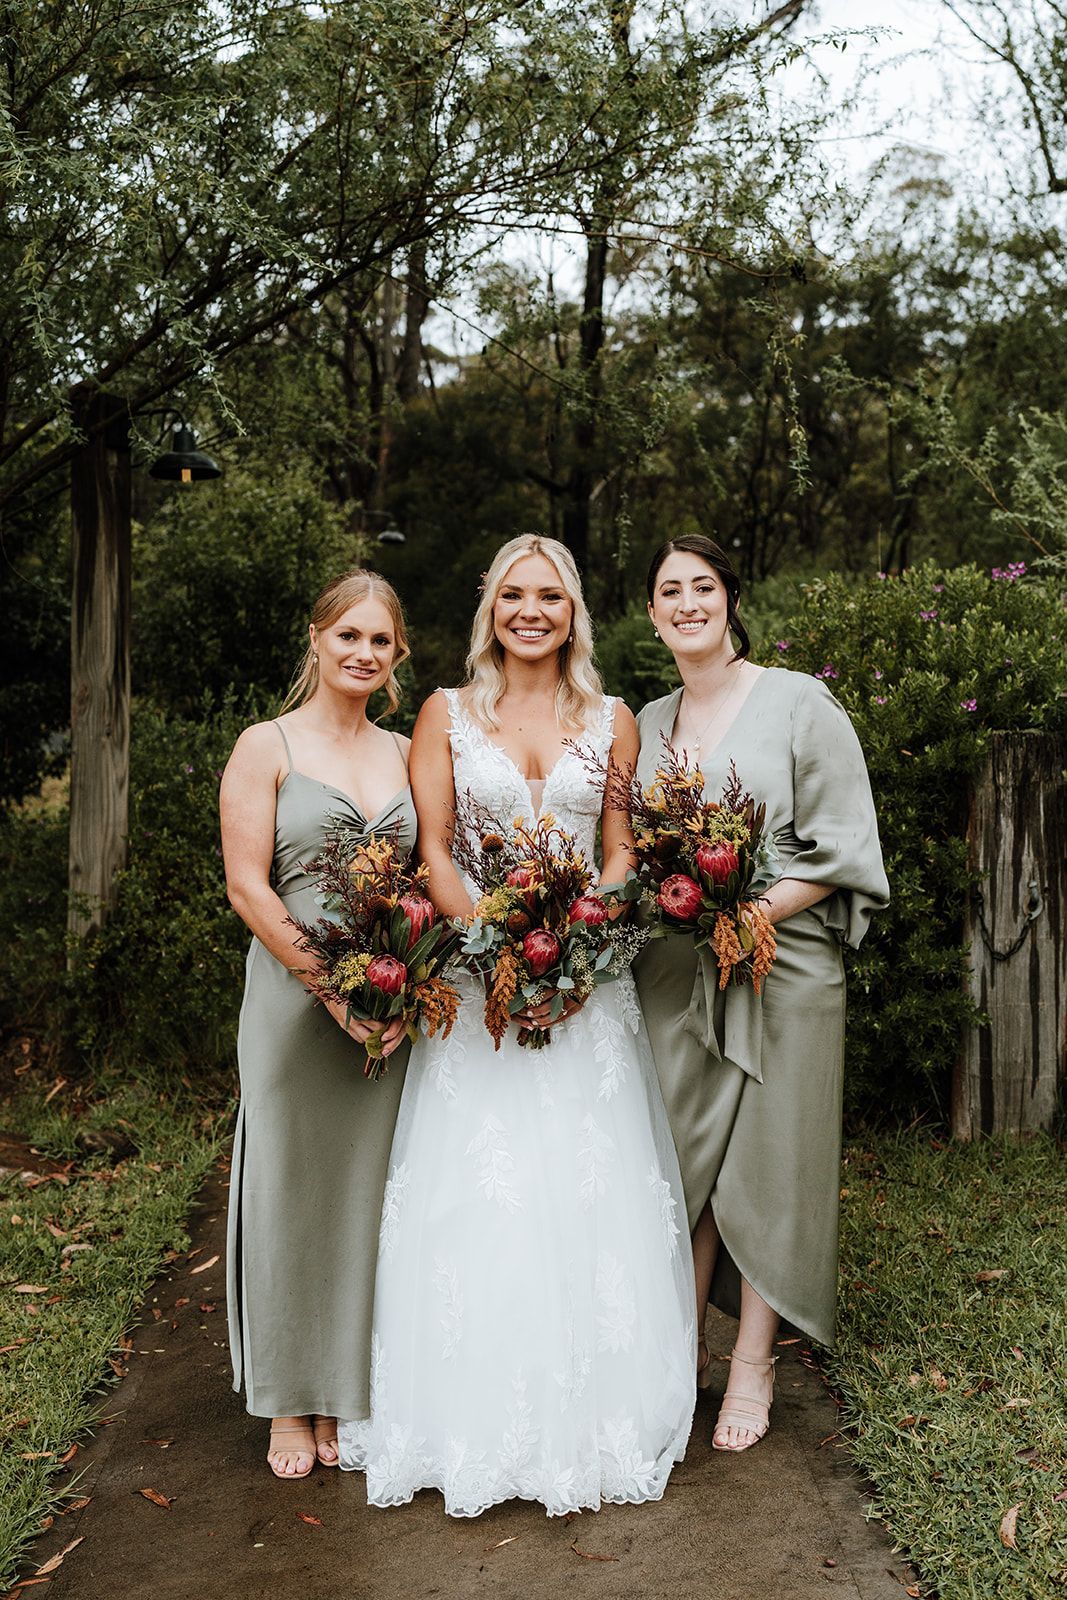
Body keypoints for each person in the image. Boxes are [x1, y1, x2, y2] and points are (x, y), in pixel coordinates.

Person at [338, 534, 695, 1516]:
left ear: (571, 609)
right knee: (478, 1198)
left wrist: (578, 937)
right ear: (489, 607)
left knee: (587, 1196)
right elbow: (436, 845)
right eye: (511, 594)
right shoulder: (444, 714)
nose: (528, 610)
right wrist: (492, 945)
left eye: (547, 595)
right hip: (479, 991)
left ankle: (590, 1419)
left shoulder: (613, 720)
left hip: (585, 987)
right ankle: (464, 1416)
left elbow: (619, 847)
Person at [633, 535, 889, 1452]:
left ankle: (752, 1362)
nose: (688, 602)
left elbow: (843, 837)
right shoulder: (647, 721)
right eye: (670, 590)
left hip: (786, 964)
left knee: (775, 1161)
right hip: (680, 974)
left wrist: (750, 914)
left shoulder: (796, 701)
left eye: (703, 586)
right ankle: (677, 1353)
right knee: (686, 1161)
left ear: (729, 601)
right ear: (651, 613)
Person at [220, 569, 416, 1480]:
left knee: (369, 1196)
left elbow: (428, 875)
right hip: (298, 1009)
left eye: (379, 641)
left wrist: (402, 987)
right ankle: (288, 1403)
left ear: (396, 654)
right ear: (316, 638)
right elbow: (248, 886)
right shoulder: (266, 745)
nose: (362, 654)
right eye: (348, 636)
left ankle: (346, 1386)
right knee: (291, 1190)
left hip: (389, 1005)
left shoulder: (409, 750)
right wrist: (333, 989)